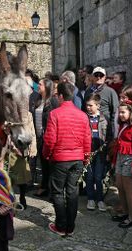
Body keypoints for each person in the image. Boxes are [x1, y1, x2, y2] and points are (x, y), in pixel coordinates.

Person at [43, 82, 91, 236]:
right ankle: (70, 227)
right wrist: (86, 157)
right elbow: (87, 139)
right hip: (77, 159)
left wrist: (47, 154)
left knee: (57, 192)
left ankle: (61, 226)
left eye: (57, 95)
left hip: (60, 158)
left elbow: (50, 139)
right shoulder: (83, 115)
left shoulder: (54, 114)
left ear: (61, 96)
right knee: (72, 192)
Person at [111, 100, 132, 228]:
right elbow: (118, 145)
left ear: (131, 112)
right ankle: (126, 212)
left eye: (123, 112)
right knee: (119, 186)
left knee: (129, 189)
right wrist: (114, 160)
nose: (120, 115)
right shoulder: (123, 126)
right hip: (120, 158)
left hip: (130, 159)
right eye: (119, 112)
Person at [32, 79, 59, 197]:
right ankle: (44, 186)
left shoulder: (53, 101)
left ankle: (51, 189)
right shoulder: (38, 99)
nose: (38, 86)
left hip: (48, 137)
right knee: (43, 163)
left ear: (47, 87)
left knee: (50, 164)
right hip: (38, 136)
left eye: (41, 84)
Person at [84, 94, 108, 211]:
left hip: (101, 152)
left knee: (98, 177)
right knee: (89, 176)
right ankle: (91, 198)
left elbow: (108, 135)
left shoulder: (104, 119)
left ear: (98, 105)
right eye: (87, 105)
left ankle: (100, 199)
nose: (88, 107)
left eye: (90, 105)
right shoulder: (84, 118)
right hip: (88, 152)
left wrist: (107, 151)